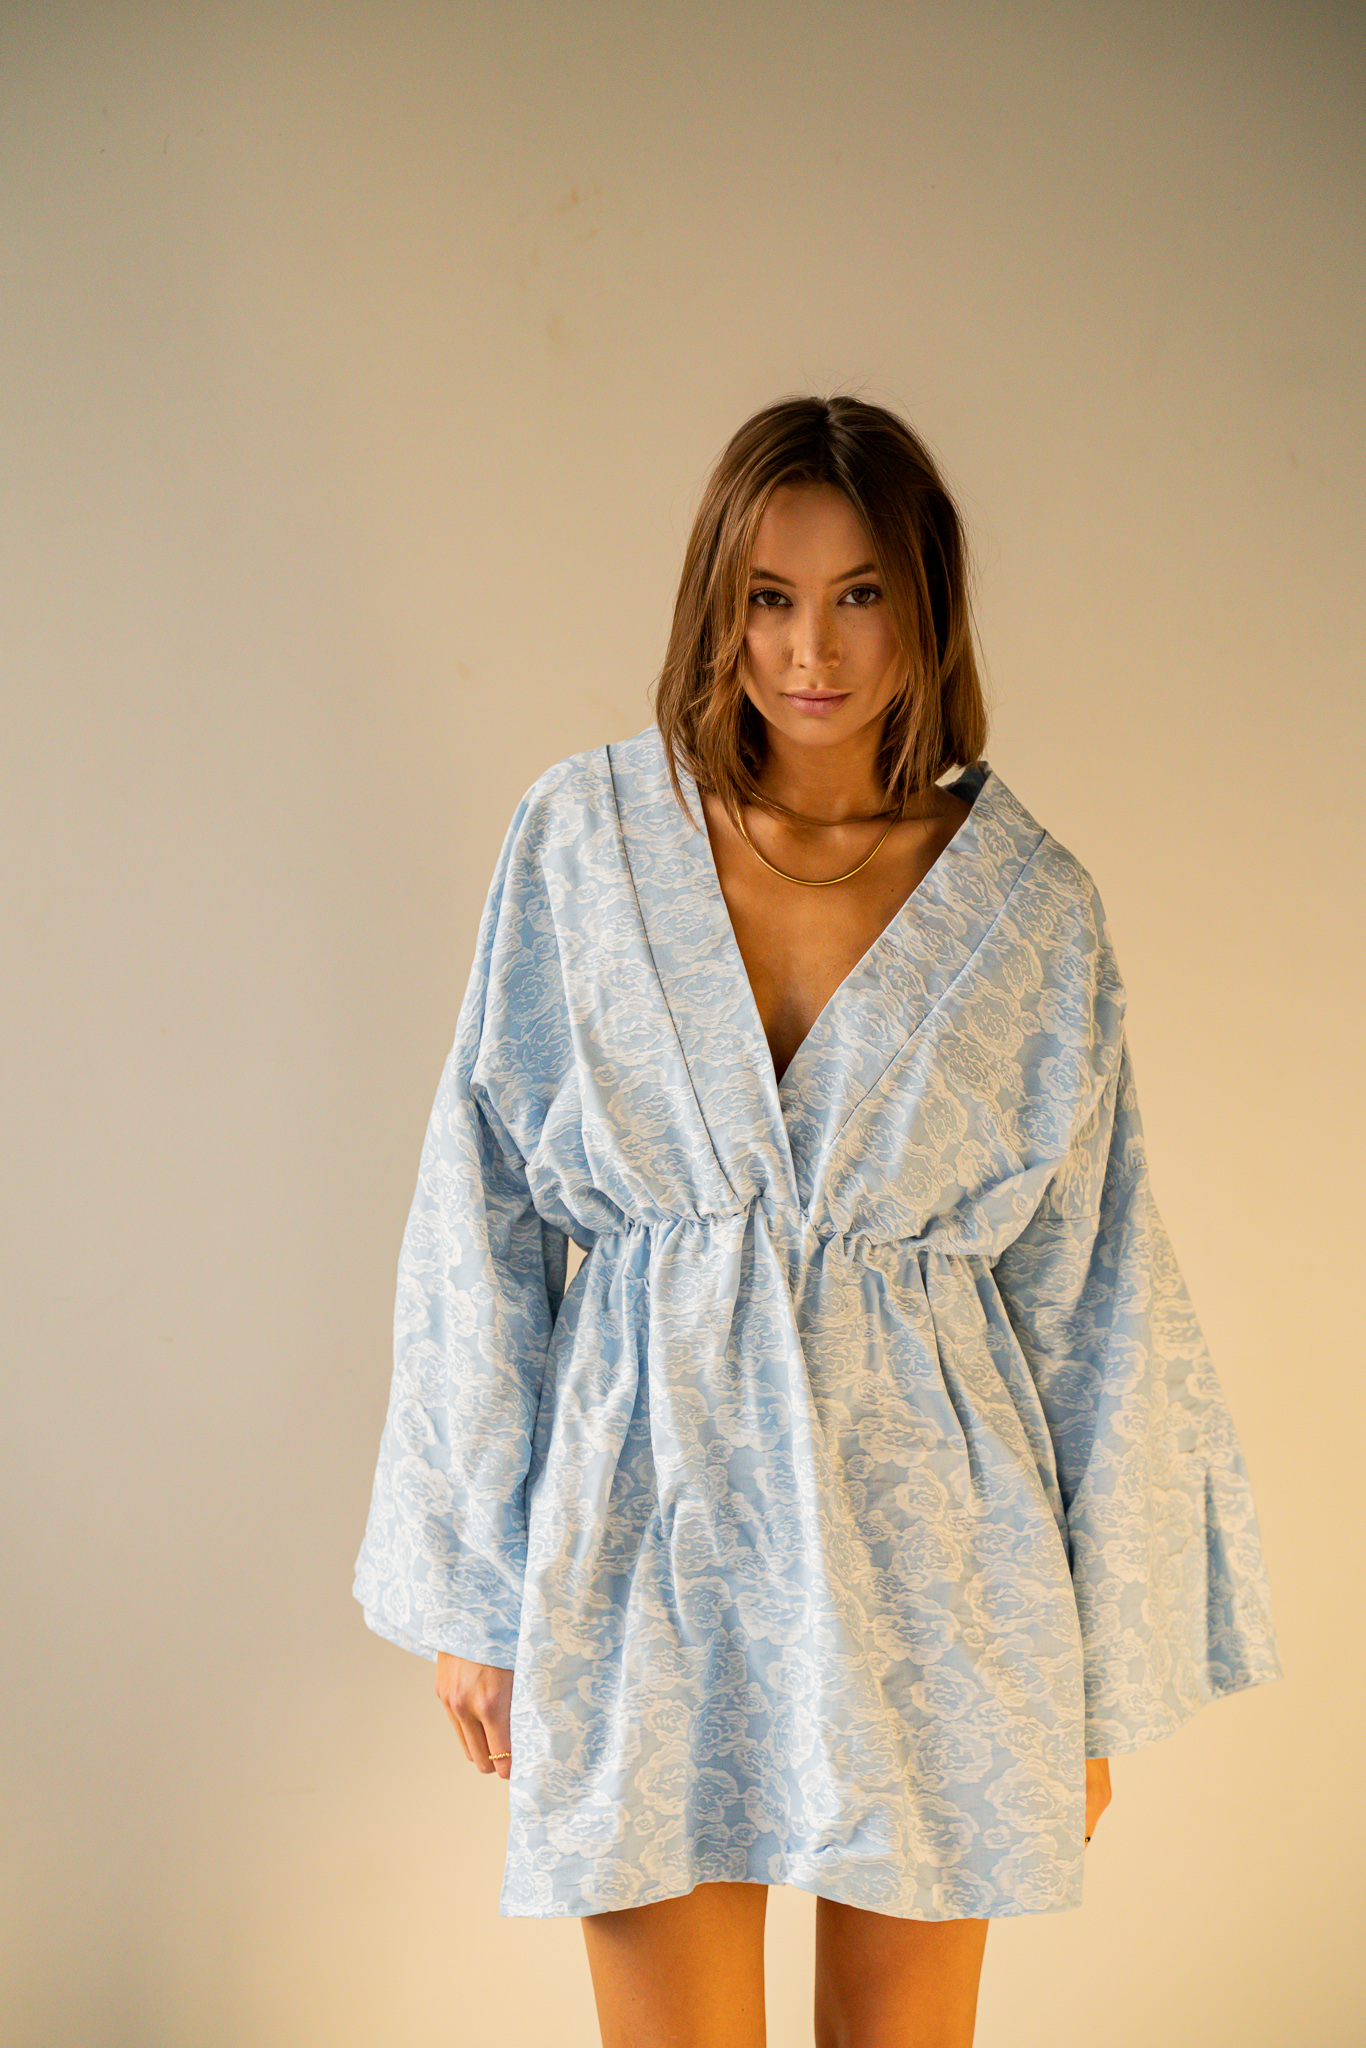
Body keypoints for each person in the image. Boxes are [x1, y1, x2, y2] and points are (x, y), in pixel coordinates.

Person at [353, 394, 1284, 2048]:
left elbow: (1097, 1294)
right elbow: (475, 1216)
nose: (810, 648)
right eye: (768, 596)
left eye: (860, 594)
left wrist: (1093, 1680)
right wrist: (474, 1594)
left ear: (926, 607)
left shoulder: (1031, 908)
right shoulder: (581, 843)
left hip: (939, 1565)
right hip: (646, 1538)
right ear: (715, 605)